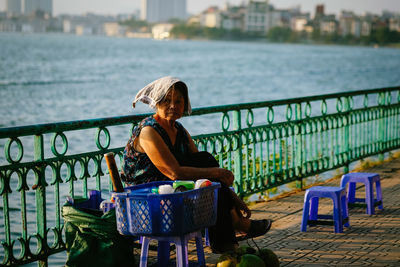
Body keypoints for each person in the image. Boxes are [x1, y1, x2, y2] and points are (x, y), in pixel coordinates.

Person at [122, 76, 272, 253]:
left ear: (185, 104)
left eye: (178, 101)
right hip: (147, 193)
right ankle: (232, 231)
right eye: (166, 100)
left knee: (204, 159)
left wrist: (234, 199)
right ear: (156, 102)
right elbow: (173, 173)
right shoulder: (149, 131)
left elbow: (202, 167)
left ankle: (229, 236)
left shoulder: (179, 130)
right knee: (208, 168)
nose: (172, 105)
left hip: (173, 188)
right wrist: (218, 173)